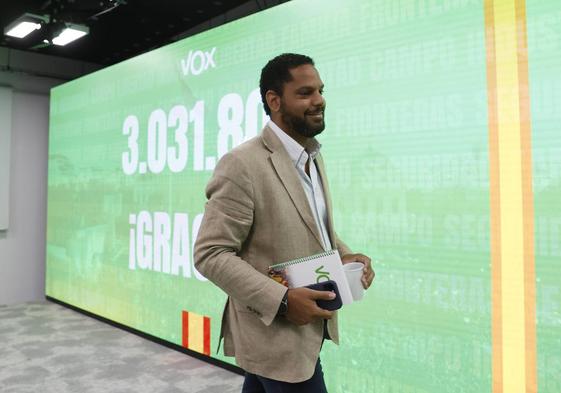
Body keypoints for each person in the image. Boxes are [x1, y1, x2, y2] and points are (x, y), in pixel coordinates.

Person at [194, 53, 375, 392]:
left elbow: (313, 225)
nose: (319, 100)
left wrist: (345, 255)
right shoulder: (242, 164)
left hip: (305, 334)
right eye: (305, 93)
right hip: (275, 337)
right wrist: (282, 300)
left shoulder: (312, 156)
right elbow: (211, 253)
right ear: (274, 101)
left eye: (320, 90)